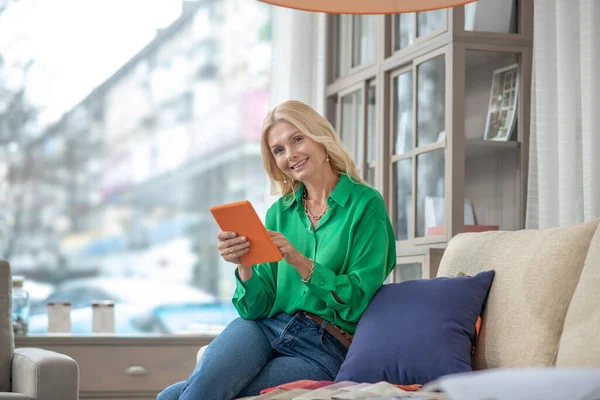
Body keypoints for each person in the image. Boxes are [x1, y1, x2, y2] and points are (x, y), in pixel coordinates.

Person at [157, 100, 396, 400]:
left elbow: (358, 299)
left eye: (297, 139)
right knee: (181, 394)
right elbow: (256, 307)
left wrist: (299, 261)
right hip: (264, 327)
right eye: (279, 150)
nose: (290, 154)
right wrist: (244, 265)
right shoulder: (278, 213)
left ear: (321, 138)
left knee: (176, 396)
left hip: (324, 345)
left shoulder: (365, 205)